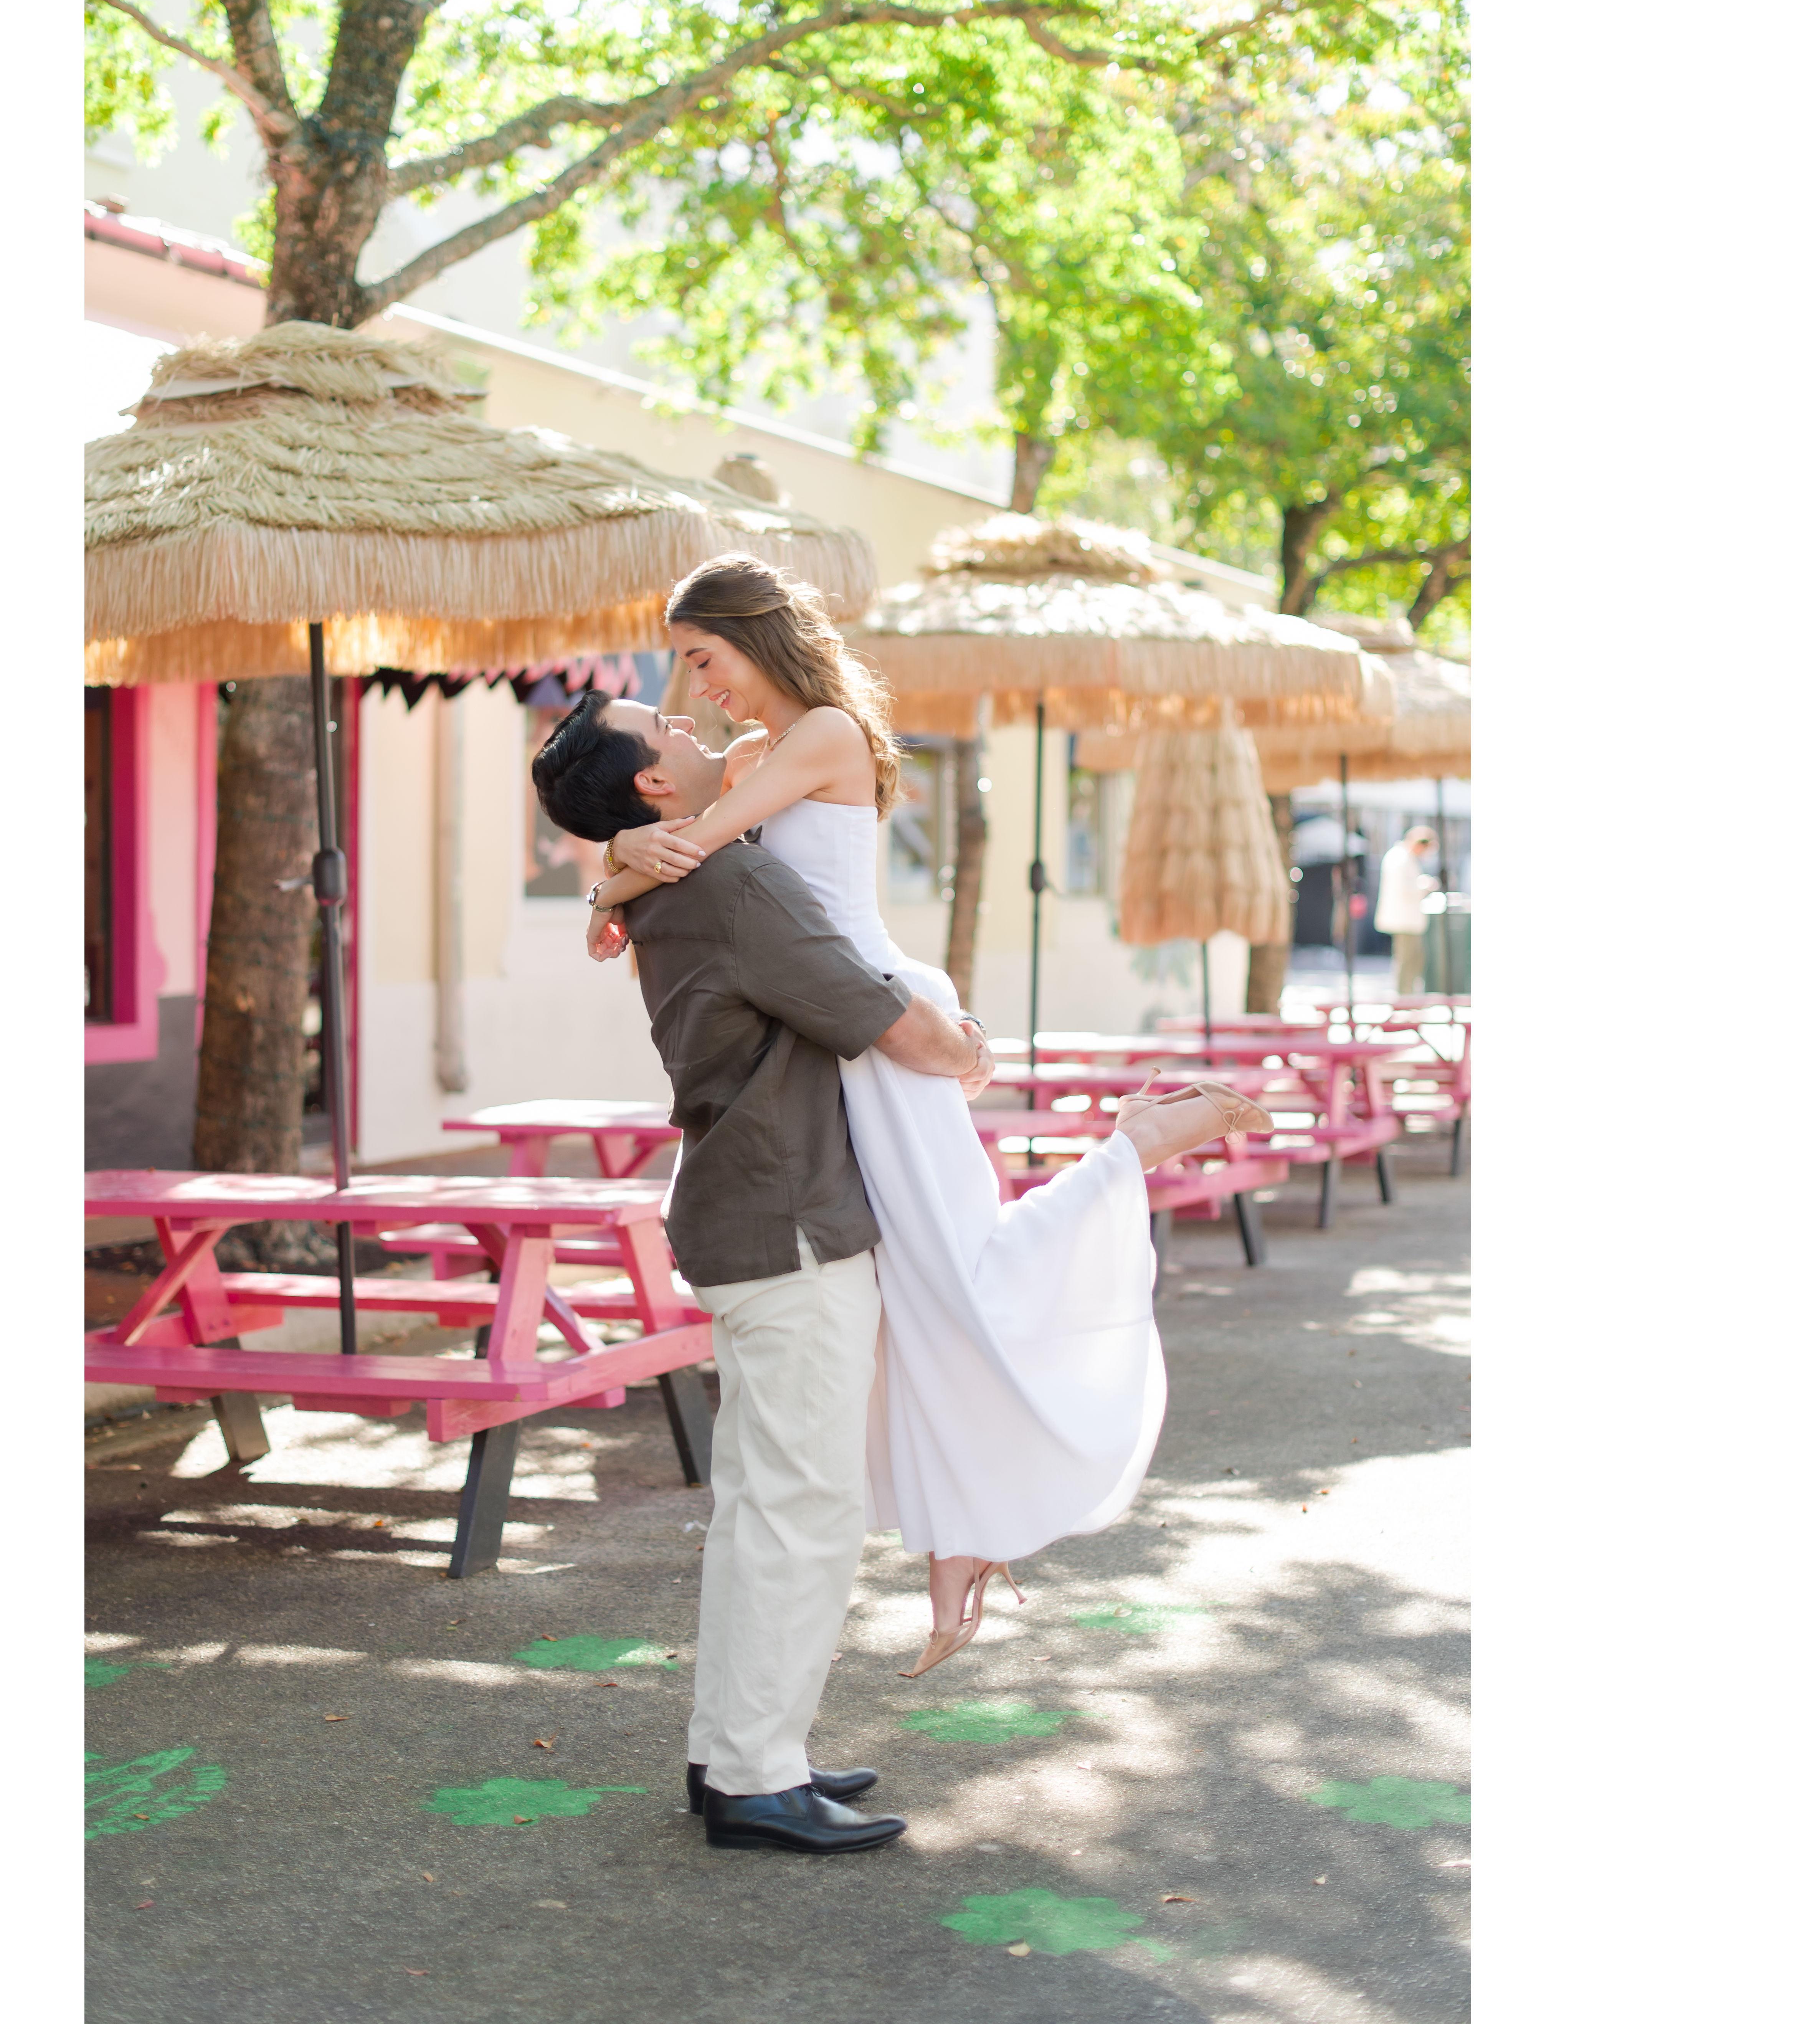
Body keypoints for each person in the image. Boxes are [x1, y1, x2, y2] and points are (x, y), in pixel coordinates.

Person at [531, 674, 1254, 1857]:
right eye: (664, 727)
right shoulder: (727, 880)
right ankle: (755, 1775)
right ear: (654, 782)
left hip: (746, 1218)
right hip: (786, 1224)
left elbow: (733, 825)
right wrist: (964, 1048)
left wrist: (612, 864)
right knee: (801, 1510)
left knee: (761, 1505)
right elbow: (873, 1014)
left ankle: (735, 1754)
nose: (688, 717)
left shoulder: (675, 877)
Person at [1376, 825, 1441, 996]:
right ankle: (1404, 996)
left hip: (1407, 919)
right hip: (1404, 919)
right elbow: (1404, 889)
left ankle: (1408, 994)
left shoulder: (1403, 857)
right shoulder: (1400, 858)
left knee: (1413, 959)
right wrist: (1425, 886)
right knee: (1406, 959)